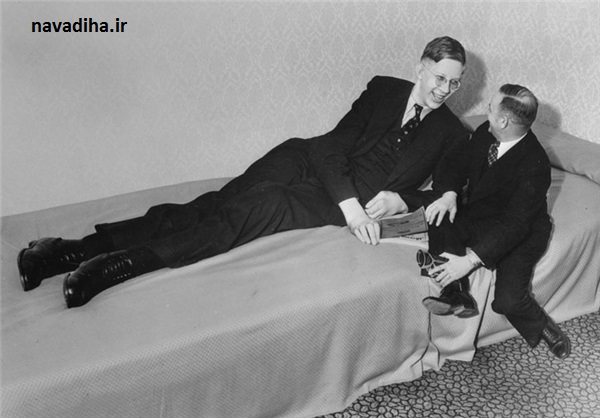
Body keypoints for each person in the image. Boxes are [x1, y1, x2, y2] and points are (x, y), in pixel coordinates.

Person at [18, 36, 469, 308]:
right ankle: (72, 250)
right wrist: (353, 208)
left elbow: (450, 194)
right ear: (420, 68)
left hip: (326, 201)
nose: (445, 90)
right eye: (439, 77)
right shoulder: (383, 89)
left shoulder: (452, 133)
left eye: (455, 82)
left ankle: (116, 266)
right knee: (216, 203)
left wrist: (405, 199)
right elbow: (331, 146)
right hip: (312, 161)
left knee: (251, 210)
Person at [417, 84, 571, 359]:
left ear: (503, 121)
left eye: (490, 108)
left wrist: (470, 261)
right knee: (437, 213)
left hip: (521, 233)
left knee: (508, 301)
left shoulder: (535, 164)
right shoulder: (484, 133)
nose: (486, 111)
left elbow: (516, 224)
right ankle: (457, 292)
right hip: (482, 217)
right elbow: (455, 163)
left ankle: (545, 328)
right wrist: (449, 194)